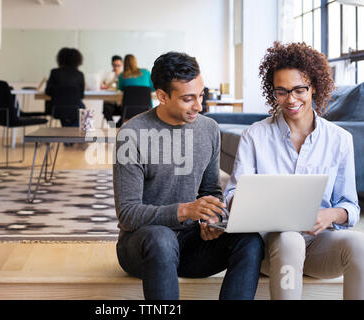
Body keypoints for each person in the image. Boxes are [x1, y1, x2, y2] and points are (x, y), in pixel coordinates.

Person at [113, 51, 264, 300]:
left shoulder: (209, 129)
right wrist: (186, 211)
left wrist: (210, 220)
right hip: (142, 246)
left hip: (191, 245)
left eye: (201, 95)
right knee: (161, 238)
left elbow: (210, 192)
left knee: (250, 239)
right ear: (162, 96)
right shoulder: (132, 134)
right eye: (188, 98)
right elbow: (128, 214)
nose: (199, 106)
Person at [224, 42, 364, 300]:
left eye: (299, 89)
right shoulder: (254, 136)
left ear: (315, 88)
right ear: (272, 91)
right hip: (272, 249)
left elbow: (351, 207)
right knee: (290, 240)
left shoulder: (340, 140)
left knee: (360, 245)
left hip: (320, 246)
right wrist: (245, 203)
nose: (290, 99)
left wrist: (331, 214)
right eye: (282, 91)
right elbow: (231, 194)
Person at [45, 47, 85, 128]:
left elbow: (48, 91)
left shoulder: (54, 72)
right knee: (83, 109)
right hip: (75, 109)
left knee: (65, 109)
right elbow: (81, 95)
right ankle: (83, 136)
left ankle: (68, 137)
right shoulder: (79, 74)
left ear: (60, 59)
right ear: (78, 60)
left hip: (56, 109)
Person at [115, 54, 155, 127]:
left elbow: (119, 89)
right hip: (146, 109)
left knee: (107, 108)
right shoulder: (146, 72)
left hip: (128, 111)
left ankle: (114, 128)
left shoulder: (122, 75)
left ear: (124, 63)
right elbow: (153, 88)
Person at [102, 55, 123, 126]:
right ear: (112, 65)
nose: (116, 67)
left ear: (122, 65)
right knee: (106, 110)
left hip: (121, 102)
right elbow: (103, 86)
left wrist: (119, 76)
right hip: (110, 102)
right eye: (115, 65)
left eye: (118, 65)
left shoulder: (124, 76)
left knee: (128, 110)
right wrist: (114, 78)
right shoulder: (107, 75)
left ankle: (117, 127)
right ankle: (113, 127)